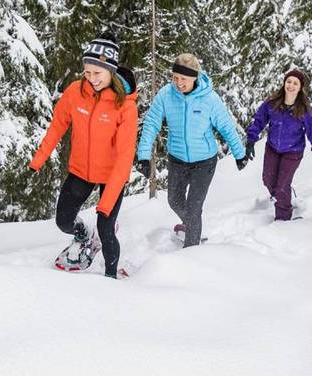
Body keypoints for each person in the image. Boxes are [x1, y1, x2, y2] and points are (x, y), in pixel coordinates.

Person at [29, 33, 138, 278]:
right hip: (81, 170)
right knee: (63, 221)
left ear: (111, 70)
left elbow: (124, 157)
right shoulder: (75, 92)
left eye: (97, 73)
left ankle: (110, 277)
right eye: (87, 72)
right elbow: (57, 125)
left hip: (112, 176)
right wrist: (39, 159)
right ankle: (83, 235)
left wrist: (106, 204)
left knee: (106, 228)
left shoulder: (125, 106)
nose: (91, 79)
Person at [135, 53, 248, 247]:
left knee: (194, 208)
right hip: (177, 159)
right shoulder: (166, 95)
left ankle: (192, 249)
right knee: (174, 201)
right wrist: (143, 156)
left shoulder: (209, 99)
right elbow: (152, 123)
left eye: (183, 79)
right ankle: (192, 225)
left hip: (204, 162)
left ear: (195, 77)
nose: (178, 83)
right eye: (175, 77)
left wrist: (240, 153)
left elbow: (226, 126)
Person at [245, 69, 312, 221]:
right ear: (284, 83)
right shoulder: (272, 103)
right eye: (289, 81)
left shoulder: (304, 109)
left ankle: (283, 219)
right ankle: (285, 194)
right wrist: (251, 140)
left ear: (300, 87)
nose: (291, 85)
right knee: (268, 180)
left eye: (295, 83)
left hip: (293, 151)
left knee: (281, 187)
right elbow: (259, 121)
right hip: (272, 148)